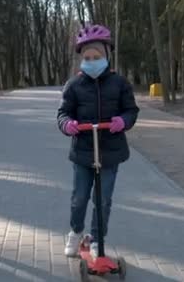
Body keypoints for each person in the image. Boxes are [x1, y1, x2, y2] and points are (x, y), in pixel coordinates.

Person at [57, 24, 139, 258]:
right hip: (83, 151)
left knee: (102, 200)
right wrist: (67, 124)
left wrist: (123, 121)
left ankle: (96, 238)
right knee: (79, 197)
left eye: (97, 56)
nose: (92, 61)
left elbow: (131, 110)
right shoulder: (74, 85)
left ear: (107, 56)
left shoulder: (120, 84)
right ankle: (75, 231)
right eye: (88, 57)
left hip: (110, 152)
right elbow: (63, 113)